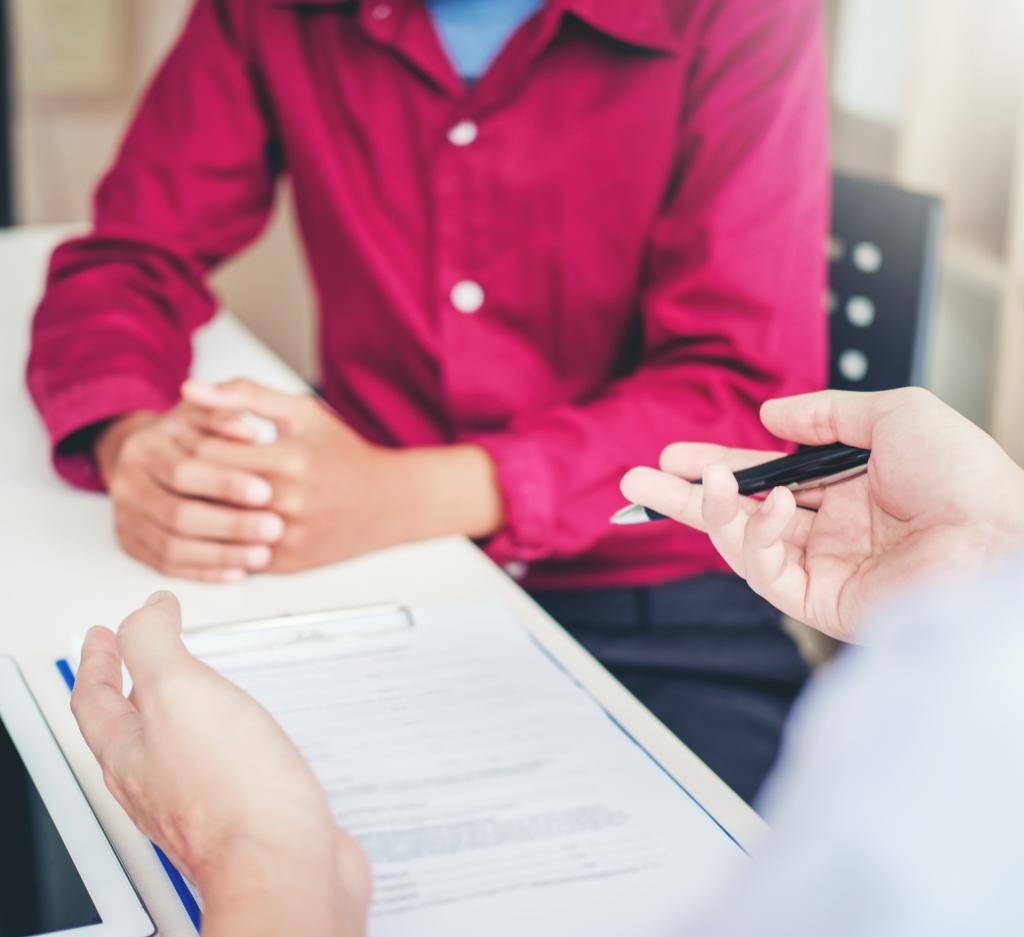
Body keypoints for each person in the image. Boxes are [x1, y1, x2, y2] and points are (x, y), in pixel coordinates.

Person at [26, 0, 829, 801]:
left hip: (654, 603)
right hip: (368, 571)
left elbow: (737, 392)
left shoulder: (741, 14)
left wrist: (405, 493)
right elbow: (132, 253)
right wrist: (129, 440)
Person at [70, 387, 1024, 935]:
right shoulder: (955, 662)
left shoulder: (936, 728)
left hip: (670, 621)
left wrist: (260, 857)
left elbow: (733, 374)